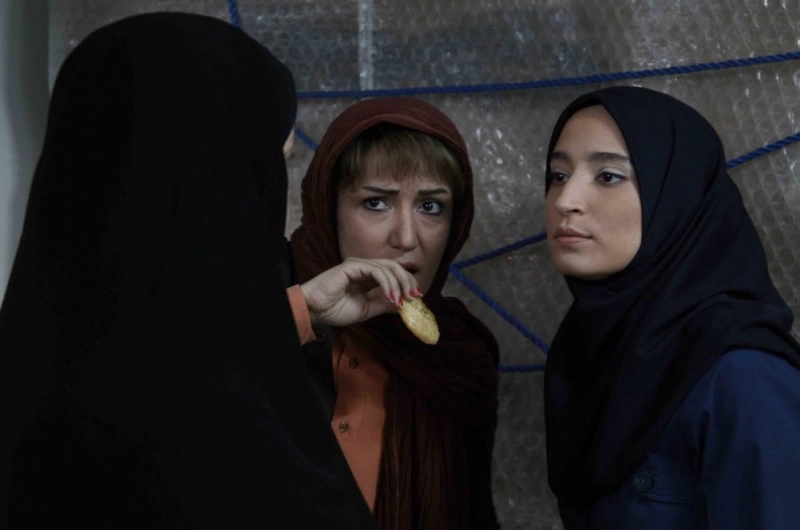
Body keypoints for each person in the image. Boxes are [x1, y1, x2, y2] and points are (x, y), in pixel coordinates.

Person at [0, 13, 378, 529]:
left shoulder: (35, 383)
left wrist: (291, 312)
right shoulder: (235, 451)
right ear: (216, 185)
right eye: (271, 165)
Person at [542, 85, 800, 529]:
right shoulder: (589, 351)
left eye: (608, 177)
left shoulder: (742, 376)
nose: (565, 200)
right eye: (558, 175)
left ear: (676, 196)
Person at [286, 97, 501, 529]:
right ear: (329, 208)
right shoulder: (258, 307)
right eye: (376, 203)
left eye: (430, 207)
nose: (406, 238)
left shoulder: (461, 355)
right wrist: (302, 311)